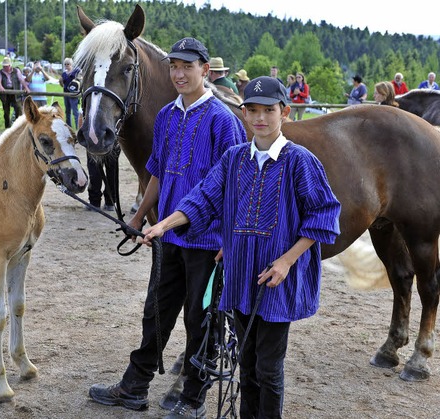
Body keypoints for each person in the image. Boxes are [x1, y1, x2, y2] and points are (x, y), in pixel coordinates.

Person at [140, 76, 341, 419]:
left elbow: (323, 217)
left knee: (268, 368)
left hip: (276, 281)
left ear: (285, 112)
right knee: (244, 364)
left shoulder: (300, 161)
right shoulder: (234, 159)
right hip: (241, 275)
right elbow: (203, 198)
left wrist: (287, 261)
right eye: (253, 111)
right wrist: (162, 224)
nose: (260, 118)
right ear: (244, 114)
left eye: (269, 110)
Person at [88, 37, 247, 418]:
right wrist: (139, 217)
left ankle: (194, 397)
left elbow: (236, 188)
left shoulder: (224, 122)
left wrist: (230, 239)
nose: (179, 73)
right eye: (174, 66)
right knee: (155, 311)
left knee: (201, 318)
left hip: (207, 241)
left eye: (187, 67)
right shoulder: (167, 116)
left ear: (205, 71)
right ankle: (135, 385)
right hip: (169, 235)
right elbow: (155, 171)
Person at [0, 56, 28, 128]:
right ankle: (7, 127)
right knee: (6, 111)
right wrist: (0, 86)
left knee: (18, 108)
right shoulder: (0, 72)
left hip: (15, 92)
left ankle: (17, 126)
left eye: (6, 66)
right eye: (4, 66)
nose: (4, 67)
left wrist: (26, 87)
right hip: (5, 93)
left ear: (10, 65)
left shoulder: (16, 71)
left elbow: (21, 80)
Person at [60, 57, 82, 129]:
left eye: (68, 64)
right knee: (67, 111)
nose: (67, 65)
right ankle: (69, 127)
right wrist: (61, 81)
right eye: (65, 64)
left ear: (71, 64)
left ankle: (77, 128)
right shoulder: (63, 74)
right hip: (66, 93)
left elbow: (80, 79)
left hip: (73, 94)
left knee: (75, 112)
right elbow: (61, 83)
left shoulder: (76, 72)